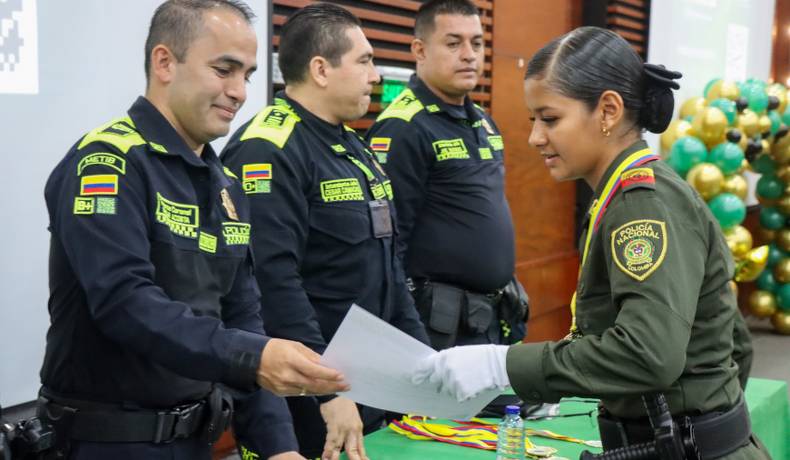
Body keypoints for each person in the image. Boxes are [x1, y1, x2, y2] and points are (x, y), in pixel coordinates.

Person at [413, 26, 766, 459]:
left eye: (550, 118)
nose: (535, 137)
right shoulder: (626, 195)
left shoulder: (642, 205)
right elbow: (734, 341)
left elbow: (649, 354)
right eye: (533, 120)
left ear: (608, 110)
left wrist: (501, 365)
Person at [40, 1, 348, 459]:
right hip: (108, 443)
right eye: (224, 70)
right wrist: (251, 356)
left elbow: (242, 315)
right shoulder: (107, 163)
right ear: (165, 62)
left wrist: (279, 448)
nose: (240, 91)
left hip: (194, 440)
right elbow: (125, 303)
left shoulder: (224, 184)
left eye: (246, 74)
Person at [220, 3, 429, 459]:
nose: (375, 76)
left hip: (370, 385)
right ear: (320, 69)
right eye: (365, 60)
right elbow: (273, 285)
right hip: (307, 401)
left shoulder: (352, 145)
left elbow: (391, 266)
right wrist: (326, 392)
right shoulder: (267, 149)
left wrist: (424, 365)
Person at [365, 0, 527, 350]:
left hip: (489, 316)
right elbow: (390, 244)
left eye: (477, 43)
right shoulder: (402, 127)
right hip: (435, 325)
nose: (469, 54)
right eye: (454, 43)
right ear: (419, 50)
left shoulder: (484, 121)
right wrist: (407, 331)